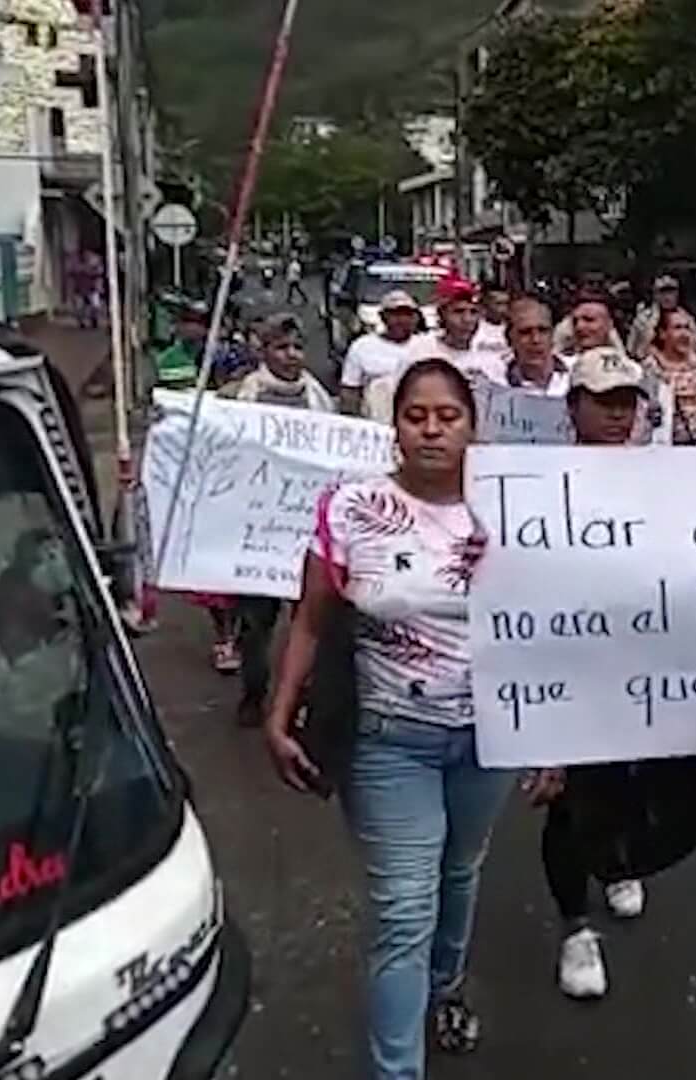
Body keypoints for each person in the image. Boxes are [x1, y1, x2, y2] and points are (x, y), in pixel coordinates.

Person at [261, 359, 509, 1080]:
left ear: (472, 425)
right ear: (394, 425)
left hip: (492, 738)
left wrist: (554, 739)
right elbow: (309, 621)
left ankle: (446, 987)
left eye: (448, 416)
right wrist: (280, 713)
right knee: (404, 909)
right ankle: (397, 1071)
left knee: (460, 872)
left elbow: (551, 629)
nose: (432, 429)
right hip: (385, 741)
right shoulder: (349, 508)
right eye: (416, 415)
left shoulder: (516, 508)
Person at [519, 346, 658, 999]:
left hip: (641, 666)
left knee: (627, 788)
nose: (617, 413)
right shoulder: (533, 483)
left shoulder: (662, 480)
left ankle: (616, 860)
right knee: (572, 801)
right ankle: (575, 926)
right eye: (604, 400)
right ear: (573, 406)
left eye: (627, 401)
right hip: (566, 664)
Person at [220, 314, 333, 727]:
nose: (291, 356)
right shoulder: (240, 398)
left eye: (297, 347)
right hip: (258, 531)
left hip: (304, 532)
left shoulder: (319, 397)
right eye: (282, 348)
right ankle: (254, 693)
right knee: (256, 624)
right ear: (264, 351)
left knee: (311, 622)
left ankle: (301, 698)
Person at [645, 308, 696, 445]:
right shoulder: (651, 367)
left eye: (687, 328)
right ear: (663, 334)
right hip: (669, 442)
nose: (684, 334)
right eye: (677, 328)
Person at [340, 290, 424, 415]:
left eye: (407, 315)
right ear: (383, 317)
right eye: (395, 315)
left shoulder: (426, 345)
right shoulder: (362, 346)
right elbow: (350, 389)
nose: (401, 320)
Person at [422, 276, 508, 385]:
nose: (467, 320)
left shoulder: (492, 361)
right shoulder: (423, 354)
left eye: (473, 312)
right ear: (442, 314)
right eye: (458, 312)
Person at [502, 296, 568, 396]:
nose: (535, 340)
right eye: (525, 332)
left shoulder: (575, 378)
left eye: (543, 330)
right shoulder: (496, 383)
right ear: (509, 338)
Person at [628, 272, 686, 359]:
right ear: (655, 295)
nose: (667, 297)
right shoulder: (643, 318)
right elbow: (631, 349)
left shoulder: (685, 318)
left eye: (671, 292)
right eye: (662, 292)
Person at [554, 292, 627, 357]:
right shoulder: (559, 365)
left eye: (589, 319)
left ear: (609, 324)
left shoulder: (630, 369)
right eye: (575, 321)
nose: (579, 327)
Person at [474, 280, 511, 357]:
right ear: (486, 304)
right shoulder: (474, 328)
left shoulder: (512, 328)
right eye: (499, 304)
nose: (503, 309)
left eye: (506, 303)